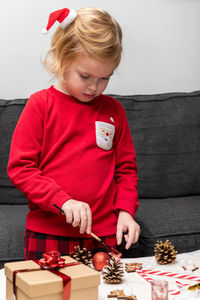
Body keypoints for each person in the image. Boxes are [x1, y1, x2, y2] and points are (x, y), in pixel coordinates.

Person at [7, 7, 140, 260]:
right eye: (86, 76)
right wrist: (63, 200)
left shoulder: (114, 111)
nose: (94, 87)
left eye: (105, 78)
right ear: (62, 59)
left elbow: (126, 170)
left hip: (105, 235)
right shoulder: (40, 105)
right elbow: (21, 168)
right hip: (49, 234)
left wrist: (126, 211)